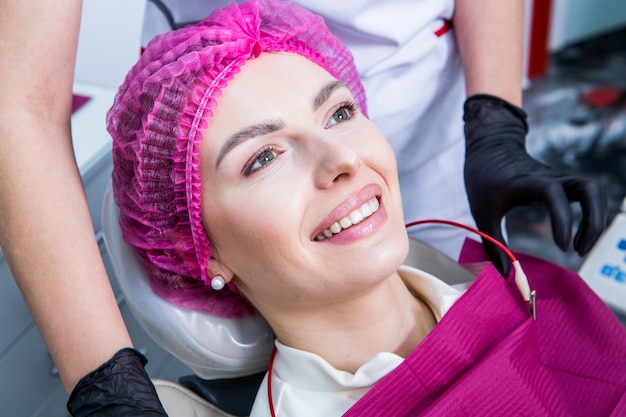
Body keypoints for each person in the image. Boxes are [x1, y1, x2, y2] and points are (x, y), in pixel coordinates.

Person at [0, 0, 607, 413]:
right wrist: (104, 383)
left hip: (440, 104)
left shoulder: (544, 303)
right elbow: (17, 99)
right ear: (201, 250)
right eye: (262, 158)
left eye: (341, 114)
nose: (342, 160)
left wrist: (495, 124)